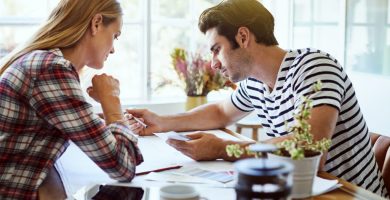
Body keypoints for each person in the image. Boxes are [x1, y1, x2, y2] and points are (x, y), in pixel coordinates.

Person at [126, 0, 388, 197]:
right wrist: (161, 121)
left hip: (350, 194)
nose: (213, 64)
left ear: (243, 36)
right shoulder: (255, 83)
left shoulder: (313, 66)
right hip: (302, 190)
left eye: (216, 50)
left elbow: (311, 146)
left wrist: (223, 149)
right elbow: (220, 112)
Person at [0, 0, 145, 199]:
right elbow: (123, 167)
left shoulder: (42, 62)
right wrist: (111, 99)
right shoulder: (50, 69)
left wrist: (103, 122)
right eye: (115, 36)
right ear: (96, 23)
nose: (113, 49)